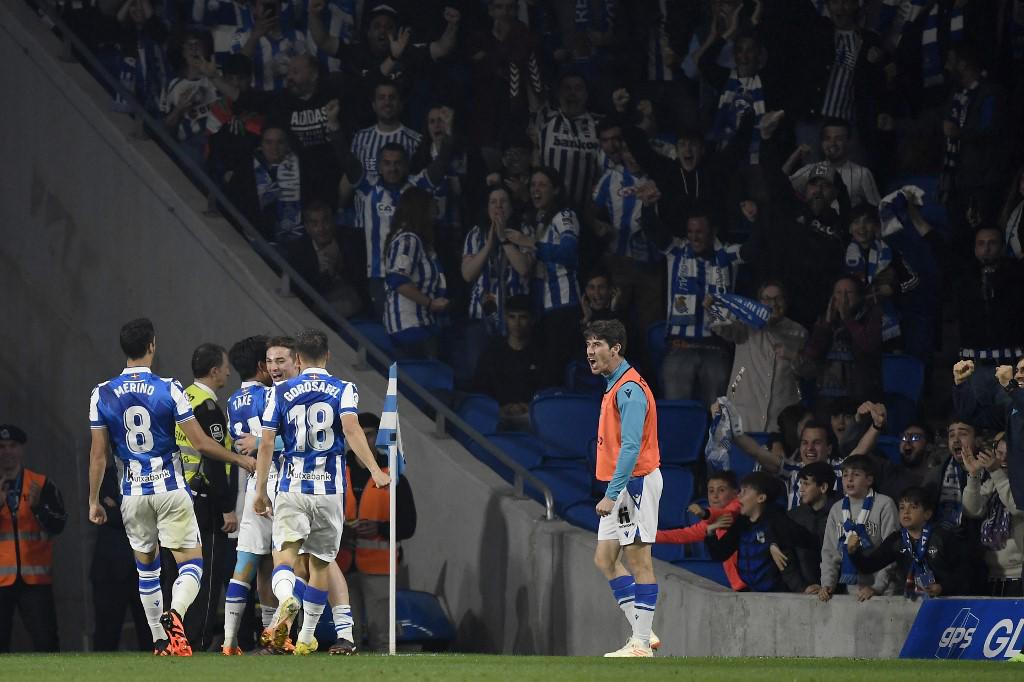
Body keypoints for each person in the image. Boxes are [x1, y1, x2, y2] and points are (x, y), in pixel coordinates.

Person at [88, 318, 254, 656]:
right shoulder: (169, 388)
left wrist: (93, 500)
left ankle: (161, 641)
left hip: (132, 494)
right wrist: (240, 460)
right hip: (171, 491)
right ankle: (174, 614)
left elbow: (98, 455)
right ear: (152, 346)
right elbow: (201, 443)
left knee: (146, 567)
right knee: (192, 563)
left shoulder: (102, 392)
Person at [253, 329, 390, 655]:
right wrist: (374, 470)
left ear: (298, 359)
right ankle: (305, 638)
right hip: (328, 491)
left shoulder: (280, 392)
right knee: (320, 564)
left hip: (291, 488)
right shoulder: (344, 389)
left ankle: (287, 601)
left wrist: (260, 490)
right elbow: (352, 430)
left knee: (284, 560)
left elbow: (267, 443)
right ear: (327, 355)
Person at [585, 319, 662, 658]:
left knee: (639, 560)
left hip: (634, 484)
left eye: (598, 344)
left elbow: (631, 448)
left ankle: (641, 644)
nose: (590, 350)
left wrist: (612, 494)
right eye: (588, 343)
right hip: (624, 485)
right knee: (604, 559)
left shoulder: (629, 390)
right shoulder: (615, 385)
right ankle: (642, 631)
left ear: (615, 349)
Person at [173, 343, 241, 651]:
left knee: (181, 572)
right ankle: (196, 641)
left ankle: (174, 638)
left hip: (179, 497)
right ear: (214, 371)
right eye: (225, 367)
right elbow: (214, 458)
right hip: (204, 500)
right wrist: (227, 507)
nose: (228, 371)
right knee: (206, 574)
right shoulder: (207, 407)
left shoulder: (182, 398)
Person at [342, 413, 417, 650]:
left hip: (379, 566)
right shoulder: (335, 473)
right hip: (341, 564)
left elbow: (409, 524)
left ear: (378, 437)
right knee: (346, 638)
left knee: (382, 636)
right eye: (358, 435)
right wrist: (341, 532)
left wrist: (380, 528)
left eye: (370, 434)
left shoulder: (393, 476)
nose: (364, 440)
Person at [221, 335, 275, 655]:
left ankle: (230, 640)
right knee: (283, 562)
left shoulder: (231, 403)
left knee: (251, 565)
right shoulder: (272, 395)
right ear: (260, 366)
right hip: (277, 484)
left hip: (252, 485)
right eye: (268, 361)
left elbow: (236, 445)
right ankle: (275, 635)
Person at [509, 166, 582, 386]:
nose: (535, 190)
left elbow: (570, 252)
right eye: (532, 185)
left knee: (555, 372)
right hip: (546, 310)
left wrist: (529, 242)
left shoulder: (564, 216)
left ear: (556, 190)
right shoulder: (540, 221)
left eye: (542, 185)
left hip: (565, 308)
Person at [0, 425, 65, 653]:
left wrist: (39, 508)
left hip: (35, 580)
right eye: (2, 447)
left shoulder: (41, 483)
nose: (7, 451)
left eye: (12, 446)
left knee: (46, 642)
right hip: (1, 581)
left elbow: (59, 524)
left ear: (21, 449)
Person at [712, 281, 807, 433]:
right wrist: (712, 306)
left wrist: (792, 355)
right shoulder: (745, 327)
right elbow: (721, 327)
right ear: (758, 303)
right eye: (767, 299)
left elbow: (806, 369)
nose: (773, 304)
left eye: (778, 298)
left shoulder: (798, 331)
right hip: (746, 413)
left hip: (782, 413)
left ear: (786, 301)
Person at [705, 471, 818, 593]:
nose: (738, 497)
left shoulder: (778, 520)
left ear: (761, 498)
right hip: (752, 594)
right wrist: (710, 533)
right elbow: (720, 554)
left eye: (744, 492)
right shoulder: (740, 524)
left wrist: (774, 542)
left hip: (781, 596)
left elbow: (808, 542)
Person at [849, 486, 968, 599]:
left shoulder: (943, 537)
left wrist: (942, 587)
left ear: (927, 514)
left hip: (949, 601)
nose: (906, 512)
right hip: (913, 602)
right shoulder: (896, 540)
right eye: (902, 507)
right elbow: (868, 566)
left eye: (913, 507)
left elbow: (963, 574)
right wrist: (853, 551)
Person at [816, 455, 899, 602]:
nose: (849, 479)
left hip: (884, 593)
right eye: (845, 475)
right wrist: (827, 584)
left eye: (856, 474)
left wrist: (877, 588)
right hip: (852, 592)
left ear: (869, 480)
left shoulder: (884, 504)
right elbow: (830, 552)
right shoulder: (837, 509)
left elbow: (892, 551)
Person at [383, 186, 450, 359]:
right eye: (430, 209)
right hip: (409, 328)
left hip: (423, 325)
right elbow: (399, 281)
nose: (434, 215)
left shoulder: (418, 241)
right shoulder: (408, 240)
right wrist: (430, 303)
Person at [91, 464, 151, 651]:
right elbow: (106, 515)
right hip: (110, 568)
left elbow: (153, 513)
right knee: (106, 636)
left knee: (151, 635)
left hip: (146, 566)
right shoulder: (102, 475)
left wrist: (119, 505)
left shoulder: (152, 473)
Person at [655, 471, 745, 592]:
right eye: (711, 491)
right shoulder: (709, 523)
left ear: (735, 494)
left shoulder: (739, 508)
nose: (715, 496)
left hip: (755, 582)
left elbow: (726, 514)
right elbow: (681, 535)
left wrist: (705, 513)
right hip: (740, 586)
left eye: (721, 490)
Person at [801, 275, 883, 404]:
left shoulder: (870, 316)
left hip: (859, 397)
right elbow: (811, 355)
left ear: (858, 296)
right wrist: (826, 325)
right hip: (827, 397)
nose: (843, 298)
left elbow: (868, 346)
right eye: (839, 293)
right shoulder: (826, 321)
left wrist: (847, 319)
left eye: (849, 293)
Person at [962, 435, 1024, 597]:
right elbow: (972, 510)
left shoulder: (1013, 483)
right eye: (999, 453)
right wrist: (974, 475)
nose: (1002, 460)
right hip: (991, 575)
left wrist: (996, 471)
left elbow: (1017, 506)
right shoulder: (992, 482)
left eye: (1008, 455)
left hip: (1019, 577)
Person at [471, 295, 544, 431]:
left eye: (522, 317)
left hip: (532, 417)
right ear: (505, 318)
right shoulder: (491, 353)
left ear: (532, 320)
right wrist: (499, 408)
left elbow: (547, 389)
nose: (517, 323)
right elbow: (479, 390)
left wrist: (528, 406)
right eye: (512, 317)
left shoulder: (542, 355)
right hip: (496, 416)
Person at [787, 118, 881, 208]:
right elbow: (779, 185)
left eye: (839, 139)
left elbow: (877, 210)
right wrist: (795, 156)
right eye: (827, 138)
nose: (832, 143)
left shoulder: (862, 174)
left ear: (848, 142)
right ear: (821, 142)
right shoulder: (810, 170)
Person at [788, 461, 840, 589]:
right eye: (801, 484)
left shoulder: (843, 514)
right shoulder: (793, 516)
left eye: (806, 484)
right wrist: (802, 587)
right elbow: (788, 559)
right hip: (803, 592)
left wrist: (829, 586)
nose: (801, 489)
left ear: (823, 487)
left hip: (838, 592)